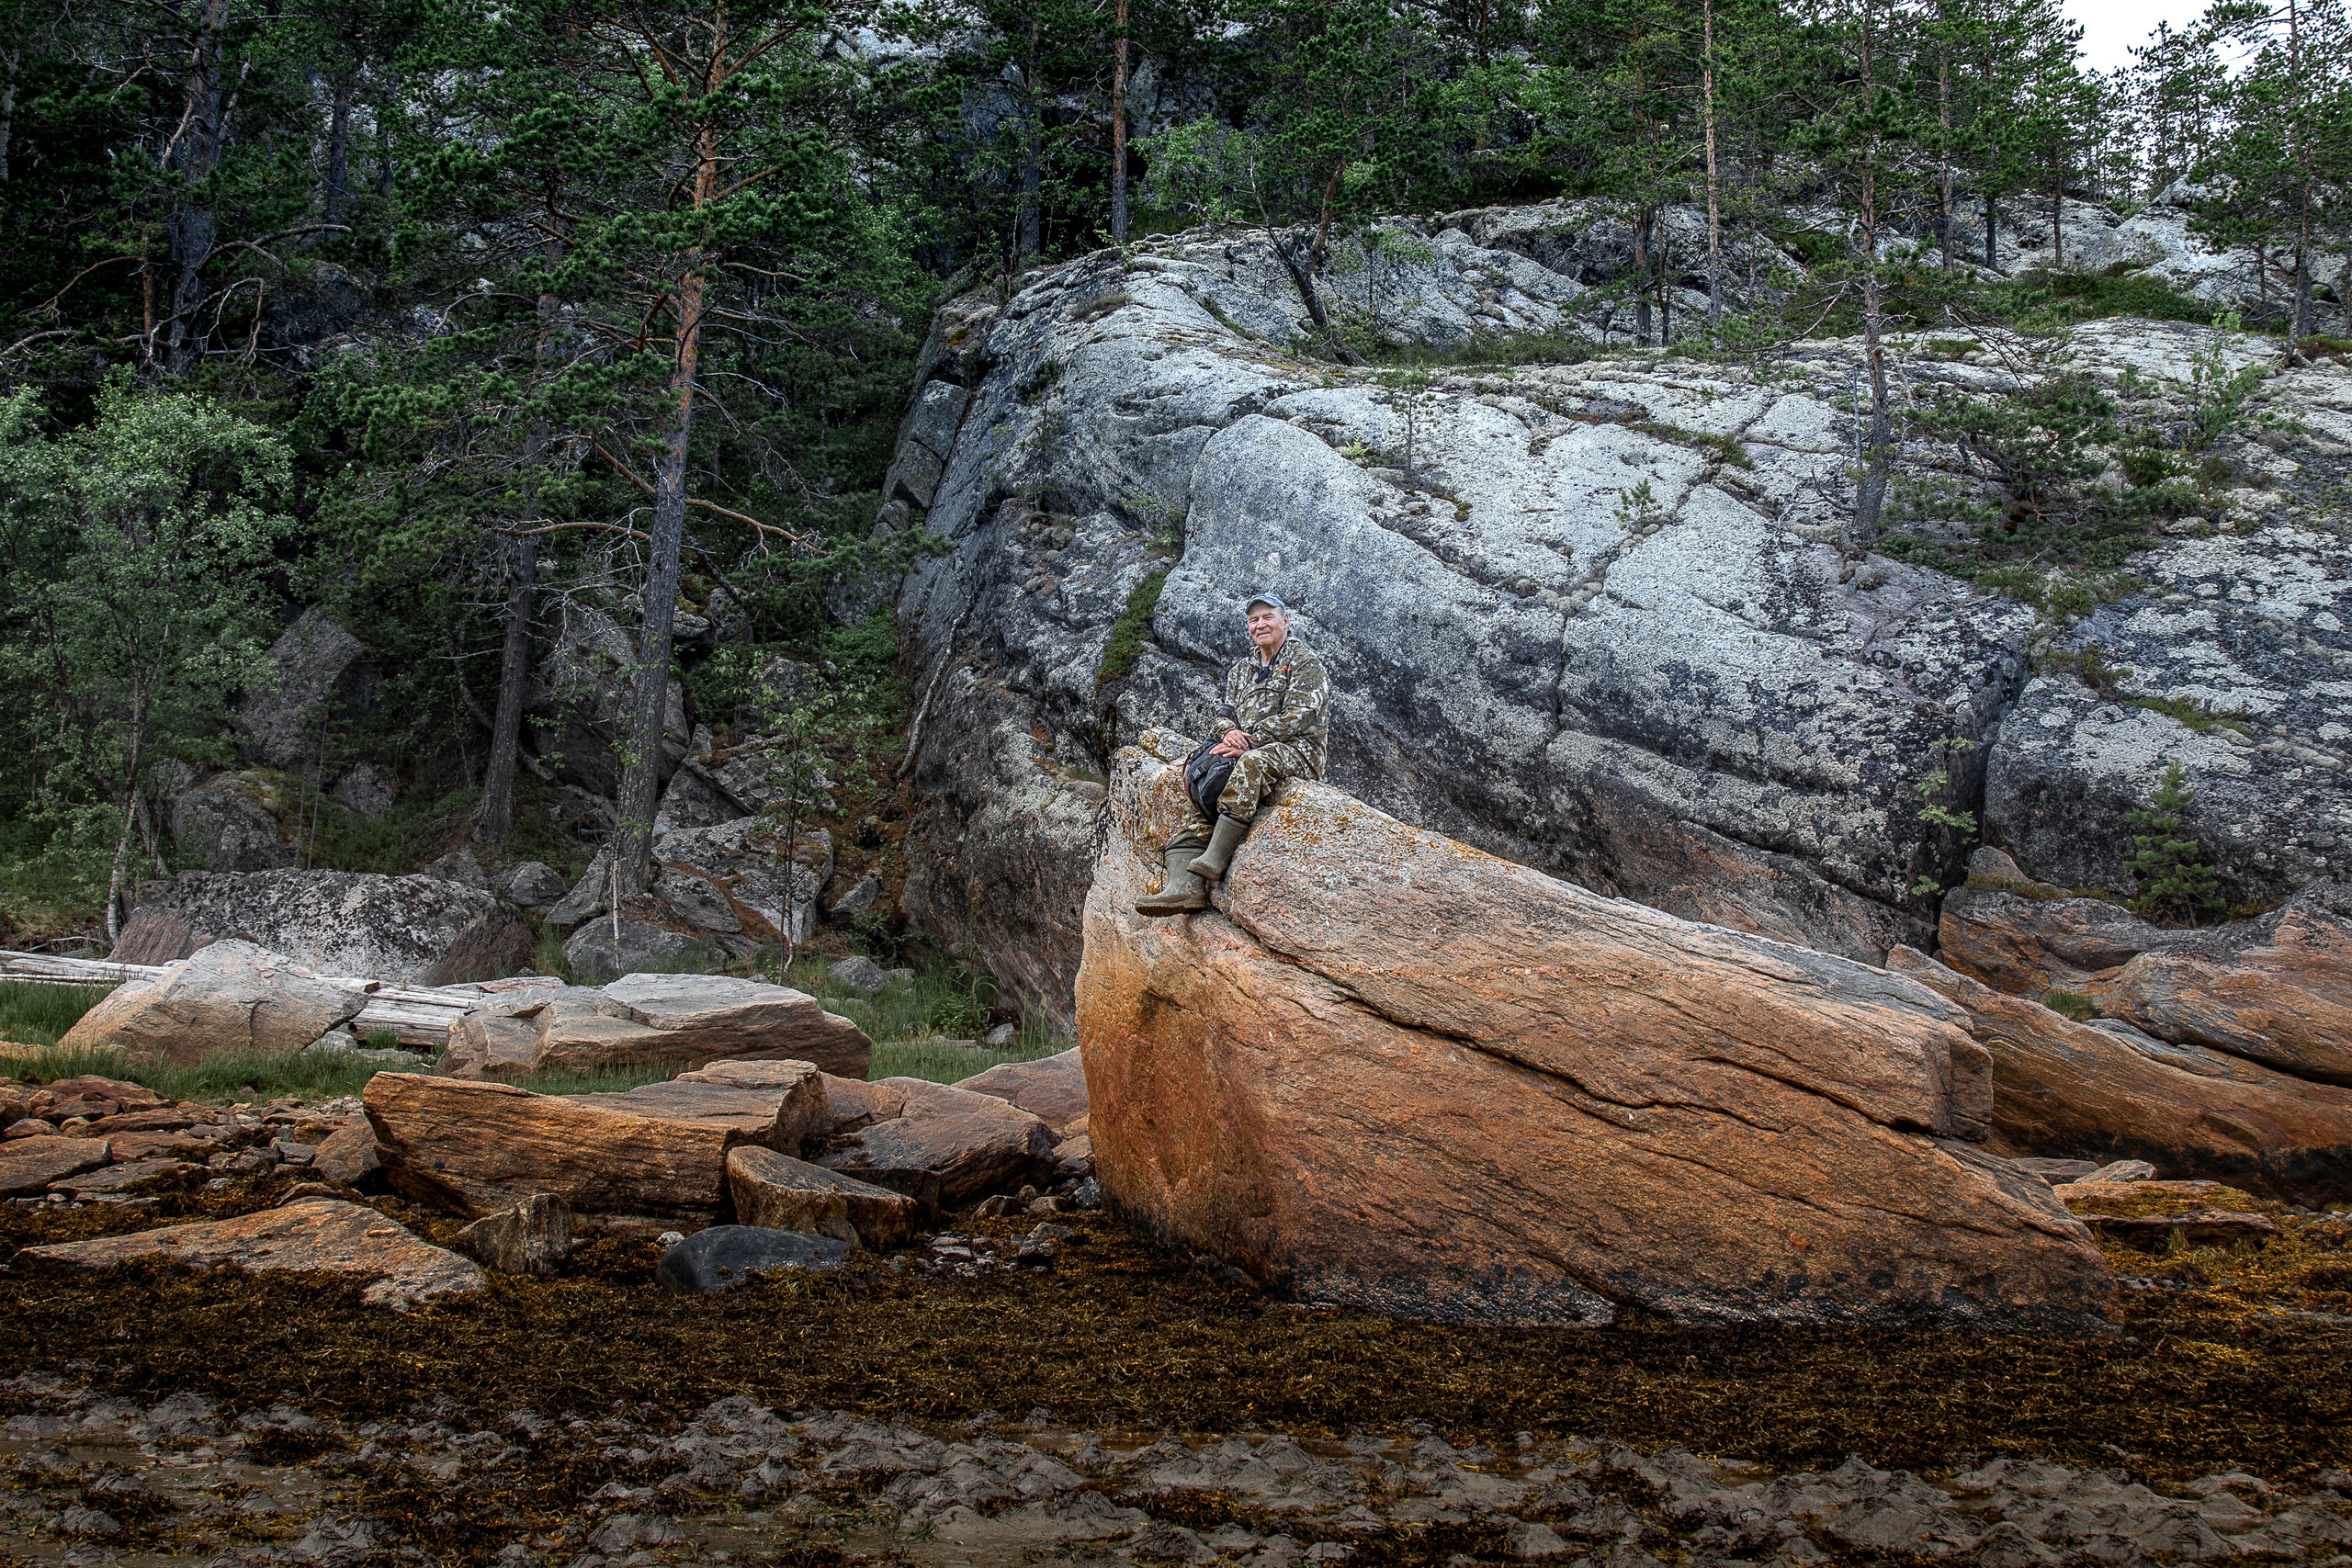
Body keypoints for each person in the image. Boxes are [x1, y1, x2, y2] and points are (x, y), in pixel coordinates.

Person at [1133, 591, 1330, 917]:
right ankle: (1184, 889)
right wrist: (1228, 733)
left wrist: (1249, 742)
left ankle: (1215, 860)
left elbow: (1301, 715)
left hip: (1298, 750)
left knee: (1251, 764)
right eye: (1254, 620)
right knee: (1199, 775)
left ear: (1285, 621)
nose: (1261, 624)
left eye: (1268, 617)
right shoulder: (1242, 669)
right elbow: (1224, 713)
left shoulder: (1306, 663)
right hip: (1245, 745)